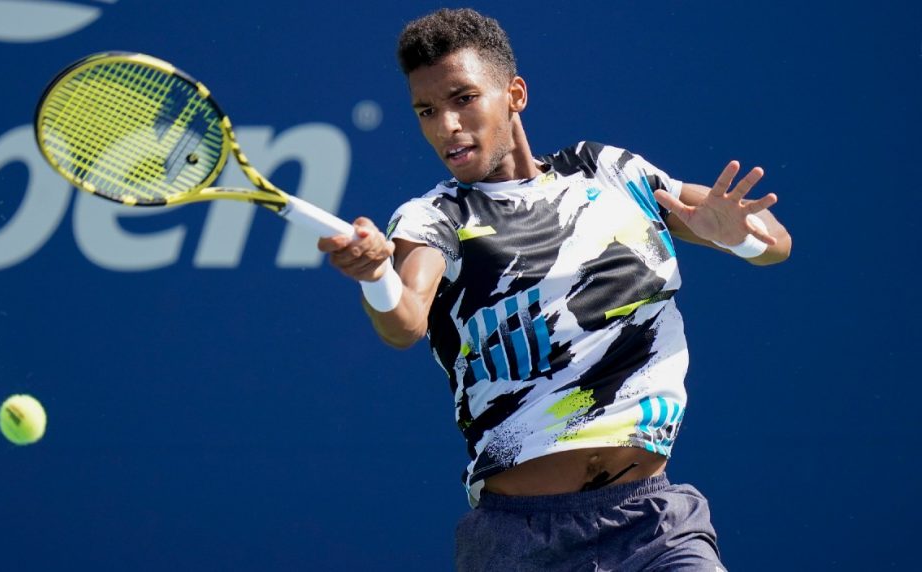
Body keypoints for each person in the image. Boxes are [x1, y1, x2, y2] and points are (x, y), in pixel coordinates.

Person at [318, 8, 791, 571]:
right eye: (427, 111)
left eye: (463, 98)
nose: (446, 126)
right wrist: (376, 276)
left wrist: (736, 238)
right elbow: (405, 322)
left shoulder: (608, 171)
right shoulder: (433, 218)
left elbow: (775, 244)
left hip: (653, 523)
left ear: (514, 94)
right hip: (519, 542)